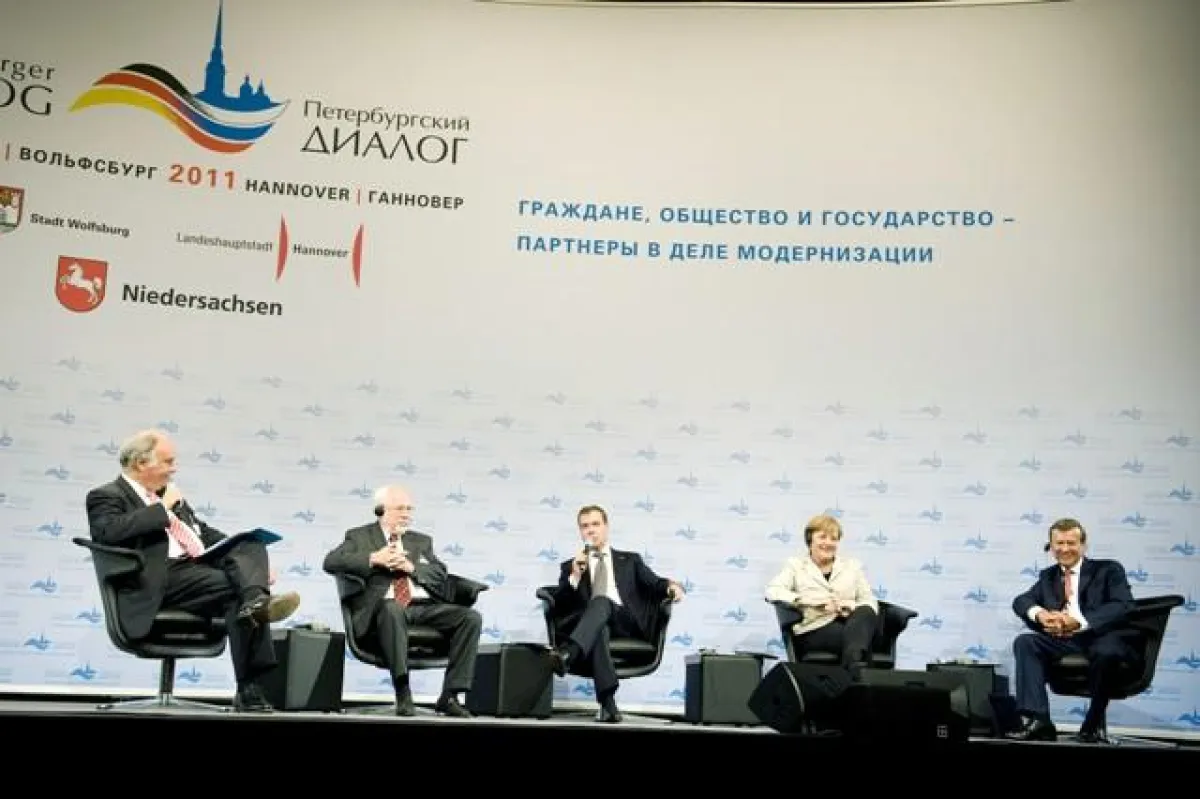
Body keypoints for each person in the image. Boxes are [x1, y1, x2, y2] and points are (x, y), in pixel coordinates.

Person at [84, 429, 301, 712]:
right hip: (156, 579)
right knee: (239, 588)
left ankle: (255, 602)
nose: (174, 469)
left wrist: (252, 562)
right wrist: (163, 508)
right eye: (168, 462)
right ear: (141, 463)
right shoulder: (106, 495)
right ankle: (250, 684)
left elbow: (202, 533)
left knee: (251, 546)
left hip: (196, 572)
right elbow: (109, 533)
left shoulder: (166, 496)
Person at [323, 485, 481, 717]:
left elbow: (439, 573)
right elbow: (331, 561)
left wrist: (412, 567)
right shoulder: (359, 536)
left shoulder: (421, 541)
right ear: (380, 510)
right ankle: (402, 689)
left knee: (470, 618)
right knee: (392, 608)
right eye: (400, 508)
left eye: (409, 508)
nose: (406, 514)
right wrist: (374, 558)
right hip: (381, 610)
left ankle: (451, 695)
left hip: (422, 608)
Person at [547, 504, 685, 723]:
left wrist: (672, 587)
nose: (590, 530)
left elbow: (655, 582)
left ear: (606, 527)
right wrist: (574, 575)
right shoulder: (570, 566)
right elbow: (560, 603)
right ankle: (608, 704)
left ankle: (569, 653)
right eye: (585, 526)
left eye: (595, 524)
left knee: (602, 600)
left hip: (624, 621)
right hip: (591, 624)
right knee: (599, 628)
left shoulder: (630, 560)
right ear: (580, 532)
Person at [1007, 518, 1136, 744]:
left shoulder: (1108, 570)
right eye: (1059, 543)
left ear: (1083, 546)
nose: (1065, 549)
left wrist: (1078, 621)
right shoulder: (1048, 576)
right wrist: (1040, 614)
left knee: (1106, 652)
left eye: (1071, 543)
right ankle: (1039, 721)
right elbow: (1022, 600)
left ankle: (1092, 724)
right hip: (1065, 641)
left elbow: (1122, 605)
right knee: (1025, 642)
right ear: (1051, 546)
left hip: (1100, 637)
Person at [764, 513, 878, 673]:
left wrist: (849, 606)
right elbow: (772, 591)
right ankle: (859, 679)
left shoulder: (852, 566)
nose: (828, 543)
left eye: (833, 538)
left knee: (866, 612)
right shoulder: (796, 566)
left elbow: (869, 600)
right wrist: (806, 601)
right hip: (814, 628)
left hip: (849, 623)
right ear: (810, 541)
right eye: (822, 537)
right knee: (862, 641)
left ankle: (853, 668)